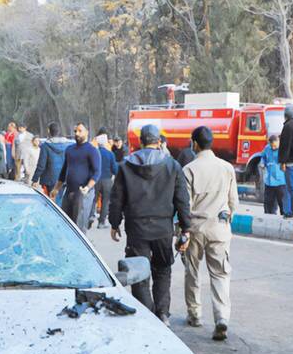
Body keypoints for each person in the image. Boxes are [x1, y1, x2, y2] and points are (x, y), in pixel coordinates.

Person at [109, 124, 192, 322]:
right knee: (163, 270)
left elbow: (117, 198)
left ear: (140, 141)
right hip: (163, 228)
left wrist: (114, 223)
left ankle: (147, 315)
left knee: (139, 273)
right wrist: (186, 228)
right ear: (159, 141)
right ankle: (162, 313)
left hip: (136, 229)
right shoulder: (172, 165)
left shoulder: (126, 166)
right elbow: (182, 199)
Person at [182, 126, 238, 341]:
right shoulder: (226, 168)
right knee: (220, 274)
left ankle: (195, 314)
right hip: (219, 229)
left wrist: (182, 232)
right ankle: (222, 317)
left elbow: (185, 205)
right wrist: (227, 219)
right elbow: (233, 201)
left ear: (194, 143)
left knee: (192, 272)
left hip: (196, 228)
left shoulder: (189, 169)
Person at [53, 123, 101, 231]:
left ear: (87, 132)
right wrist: (56, 189)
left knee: (79, 227)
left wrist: (88, 187)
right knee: (65, 224)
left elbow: (97, 172)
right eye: (75, 131)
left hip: (83, 193)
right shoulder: (69, 150)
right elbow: (64, 171)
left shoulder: (92, 150)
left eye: (80, 131)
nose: (77, 133)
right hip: (69, 191)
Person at [31, 123, 71, 197]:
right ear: (59, 131)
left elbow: (41, 165)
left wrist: (35, 179)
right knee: (61, 202)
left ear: (49, 131)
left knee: (52, 202)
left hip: (50, 179)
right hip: (64, 179)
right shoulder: (67, 145)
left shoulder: (45, 146)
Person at [93, 133, 118, 229]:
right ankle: (101, 222)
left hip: (95, 179)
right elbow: (114, 169)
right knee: (105, 201)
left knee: (93, 200)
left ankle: (90, 216)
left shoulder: (94, 153)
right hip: (107, 180)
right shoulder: (110, 154)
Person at [262, 135, 287, 215]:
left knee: (282, 202)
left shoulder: (283, 149)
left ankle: (284, 215)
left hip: (281, 180)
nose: (273, 148)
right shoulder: (267, 148)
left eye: (275, 146)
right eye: (271, 146)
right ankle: (269, 215)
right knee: (268, 202)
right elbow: (263, 158)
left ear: (278, 142)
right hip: (269, 180)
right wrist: (262, 164)